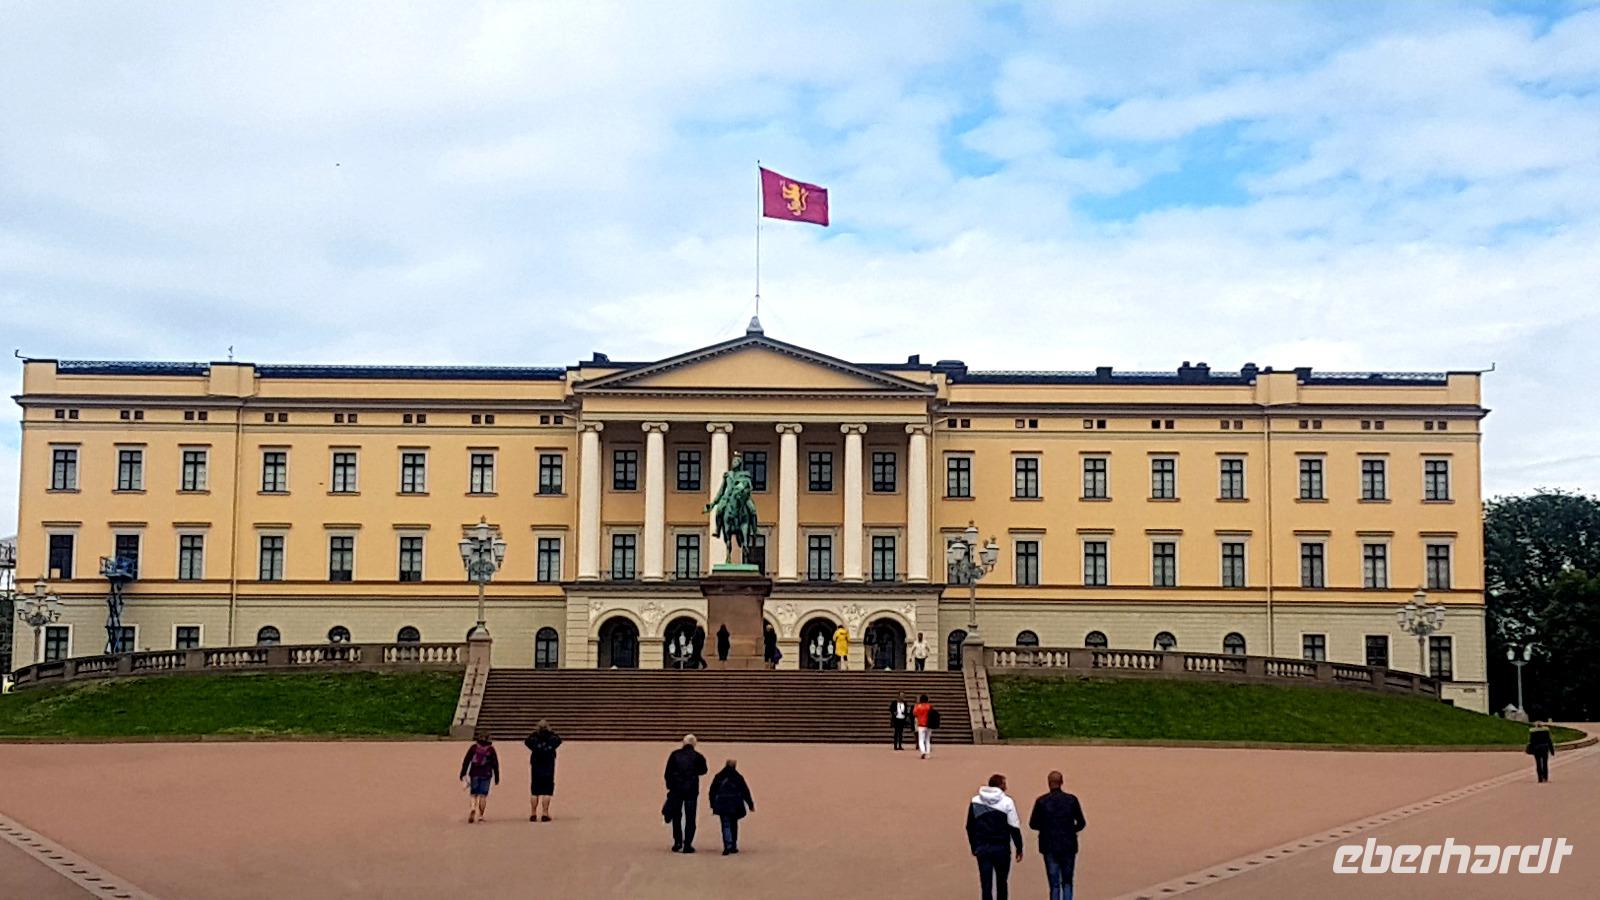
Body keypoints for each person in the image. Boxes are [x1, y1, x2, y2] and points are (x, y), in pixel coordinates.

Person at [1029, 770, 1087, 900]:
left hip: (1049, 845)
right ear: (1062, 783)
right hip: (1068, 844)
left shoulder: (1041, 801)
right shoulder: (1071, 800)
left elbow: (1033, 824)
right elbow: (1082, 822)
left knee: (1054, 884)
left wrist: (1045, 828)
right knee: (1067, 882)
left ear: (1049, 783)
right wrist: (1072, 830)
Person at [966, 773, 1024, 900]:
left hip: (983, 848)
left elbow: (970, 826)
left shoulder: (976, 801)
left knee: (986, 884)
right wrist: (1019, 847)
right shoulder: (1007, 802)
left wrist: (974, 846)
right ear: (1000, 786)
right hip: (1001, 849)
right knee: (1002, 883)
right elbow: (1014, 826)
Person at [664, 733, 709, 852]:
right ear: (694, 744)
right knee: (690, 818)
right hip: (691, 790)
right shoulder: (698, 756)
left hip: (677, 790)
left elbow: (668, 772)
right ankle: (688, 844)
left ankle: (677, 841)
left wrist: (670, 786)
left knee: (676, 816)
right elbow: (704, 770)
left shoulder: (675, 755)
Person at [708, 758, 756, 855]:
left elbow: (712, 791)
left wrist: (713, 804)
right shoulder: (738, 777)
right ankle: (733, 845)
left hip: (722, 804)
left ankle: (727, 845)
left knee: (725, 824)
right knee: (734, 824)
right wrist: (750, 804)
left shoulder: (719, 776)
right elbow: (745, 791)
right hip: (735, 804)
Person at [524, 719, 563, 822]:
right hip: (548, 764)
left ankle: (533, 813)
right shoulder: (551, 737)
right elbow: (558, 740)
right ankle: (545, 813)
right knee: (547, 790)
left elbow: (527, 741)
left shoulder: (534, 737)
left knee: (535, 791)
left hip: (536, 764)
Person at [458, 732, 500, 824]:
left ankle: (473, 808)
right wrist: (497, 777)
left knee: (473, 794)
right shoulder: (491, 750)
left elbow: (466, 761)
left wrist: (463, 773)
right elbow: (495, 764)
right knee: (483, 795)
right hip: (486, 774)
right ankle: (481, 816)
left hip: (474, 773)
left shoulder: (474, 748)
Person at [913, 694, 935, 759]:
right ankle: (928, 753)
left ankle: (923, 752)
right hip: (928, 724)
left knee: (921, 740)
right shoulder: (929, 706)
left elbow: (914, 713)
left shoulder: (917, 706)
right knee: (927, 740)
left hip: (921, 725)